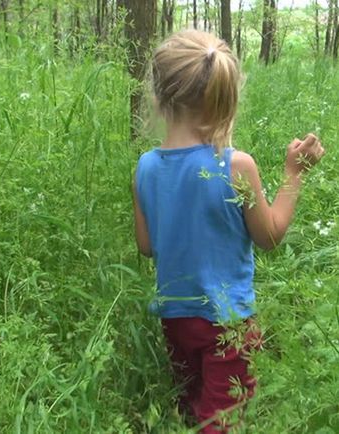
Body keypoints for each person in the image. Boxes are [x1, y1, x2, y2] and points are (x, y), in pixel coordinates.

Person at [132, 30, 325, 433]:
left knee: (189, 404)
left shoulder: (146, 166)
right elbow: (269, 237)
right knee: (221, 421)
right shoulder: (236, 165)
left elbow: (147, 246)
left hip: (174, 317)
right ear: (225, 97)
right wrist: (294, 175)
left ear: (159, 96)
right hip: (229, 323)